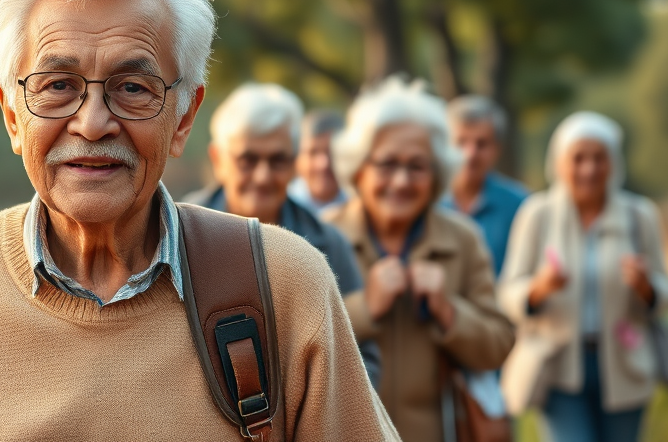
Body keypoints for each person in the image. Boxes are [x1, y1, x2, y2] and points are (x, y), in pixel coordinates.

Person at [0, 0, 399, 441]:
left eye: (133, 87)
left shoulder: (284, 287)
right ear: (12, 113)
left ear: (182, 118)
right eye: (58, 84)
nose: (92, 121)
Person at [322, 77, 515, 442]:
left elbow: (498, 345)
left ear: (437, 174)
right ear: (359, 169)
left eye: (416, 167)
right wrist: (366, 307)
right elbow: (289, 348)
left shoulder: (462, 239)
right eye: (387, 164)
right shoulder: (323, 238)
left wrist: (447, 310)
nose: (400, 181)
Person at [184, 83, 383, 388]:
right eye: (248, 160)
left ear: (294, 164)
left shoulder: (328, 244)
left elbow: (364, 360)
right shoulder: (177, 234)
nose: (263, 177)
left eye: (277, 160)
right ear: (218, 160)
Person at [498, 112, 668, 442]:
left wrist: (645, 287)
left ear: (614, 163)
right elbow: (508, 292)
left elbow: (667, 291)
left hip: (625, 365)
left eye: (599, 158)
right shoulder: (538, 214)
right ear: (559, 162)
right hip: (557, 367)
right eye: (578, 158)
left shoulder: (640, 215)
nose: (589, 169)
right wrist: (539, 288)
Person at [441, 95, 529, 276]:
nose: (470, 154)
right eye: (460, 142)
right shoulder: (427, 202)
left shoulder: (520, 206)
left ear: (497, 149)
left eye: (481, 144)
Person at [287, 110, 348, 213]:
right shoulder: (282, 207)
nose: (323, 164)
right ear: (296, 159)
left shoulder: (361, 208)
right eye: (313, 152)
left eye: (331, 152)